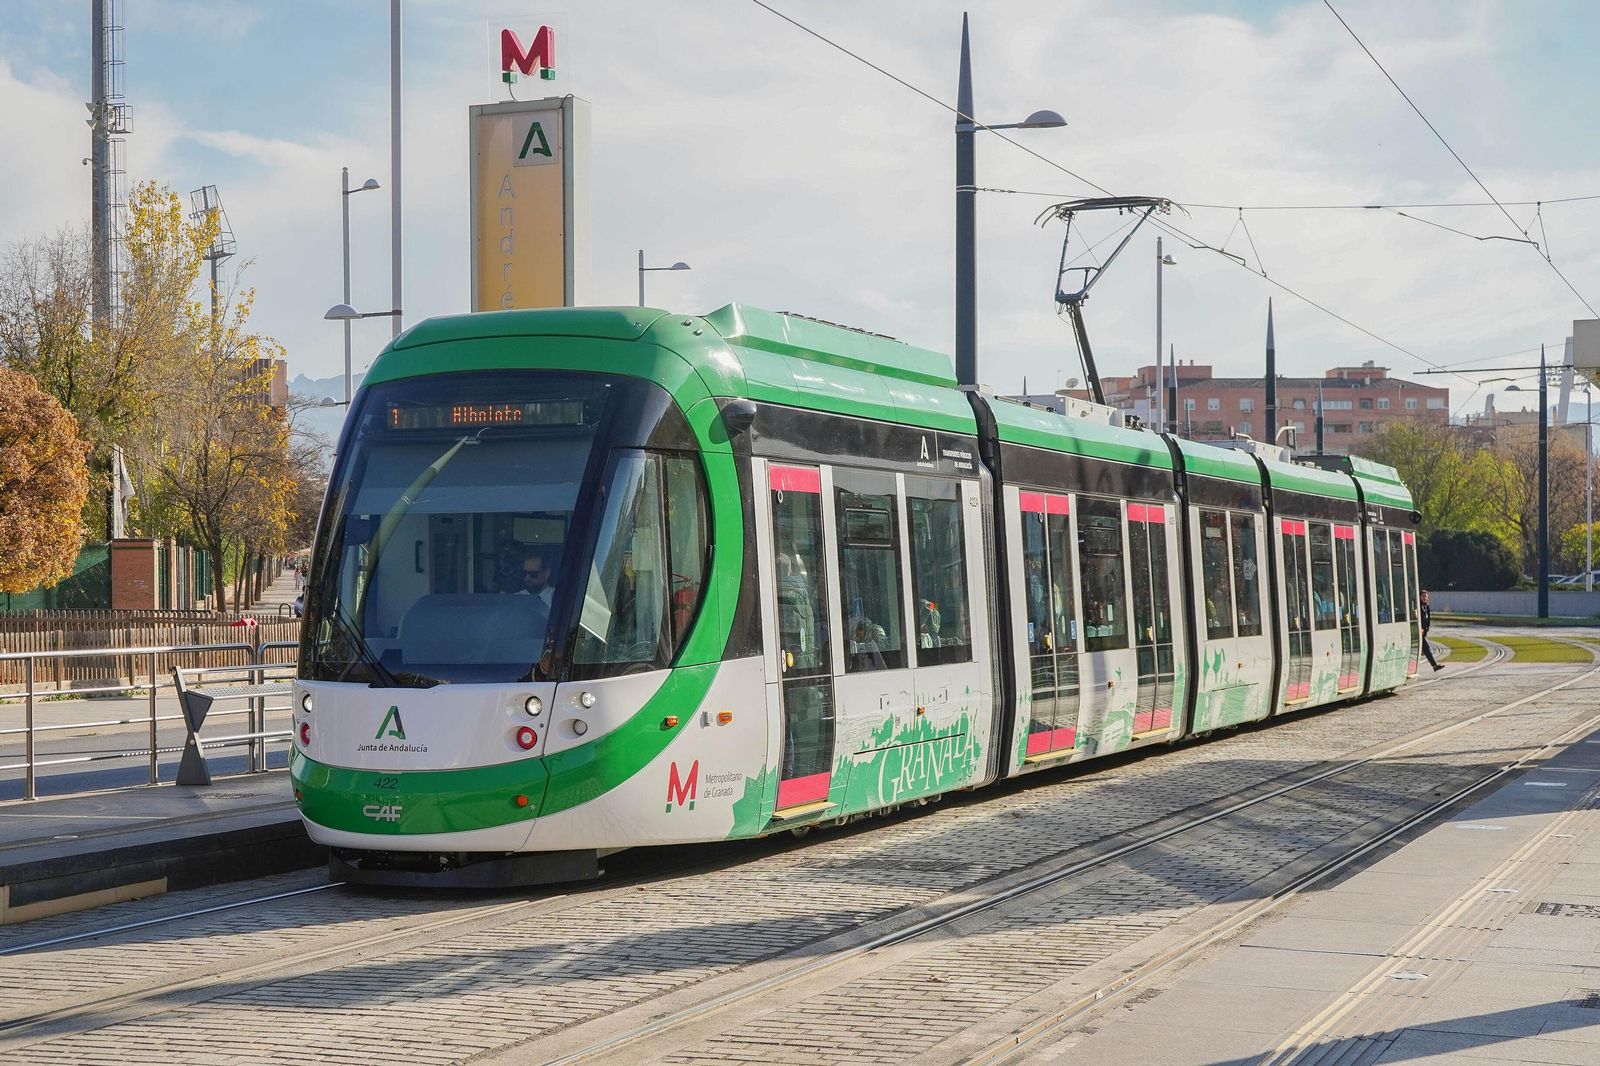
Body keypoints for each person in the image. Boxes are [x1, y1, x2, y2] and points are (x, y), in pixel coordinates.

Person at [1420, 589, 1441, 671]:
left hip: (1423, 632)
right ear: (1419, 597)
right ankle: (1434, 666)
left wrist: (1426, 629)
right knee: (1427, 648)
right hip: (1419, 632)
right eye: (1423, 596)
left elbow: (1428, 619)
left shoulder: (1426, 606)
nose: (1425, 598)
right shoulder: (1418, 606)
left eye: (1426, 596)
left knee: (1426, 649)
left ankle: (1434, 666)